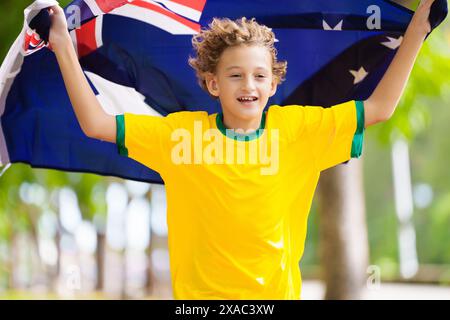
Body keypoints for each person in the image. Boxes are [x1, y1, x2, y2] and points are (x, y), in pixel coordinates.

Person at [48, 0, 436, 299]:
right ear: (213, 84)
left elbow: (380, 108)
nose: (247, 84)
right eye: (235, 75)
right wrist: (64, 46)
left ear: (272, 85)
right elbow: (96, 124)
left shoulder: (299, 130)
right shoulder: (179, 135)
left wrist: (418, 28)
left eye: (259, 76)